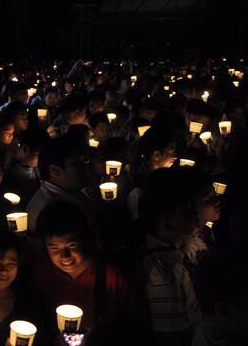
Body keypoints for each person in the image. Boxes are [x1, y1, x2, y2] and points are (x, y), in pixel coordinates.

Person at [32, 201, 142, 331]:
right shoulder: (41, 272)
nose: (64, 256)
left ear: (85, 239)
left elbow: (133, 323)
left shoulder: (112, 276)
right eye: (55, 248)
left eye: (71, 245)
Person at [138, 168, 206, 346]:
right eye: (188, 211)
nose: (196, 215)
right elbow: (170, 337)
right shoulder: (165, 273)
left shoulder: (180, 253)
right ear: (167, 222)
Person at [26, 134, 91, 231]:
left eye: (84, 163)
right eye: (76, 165)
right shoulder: (50, 210)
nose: (85, 169)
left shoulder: (72, 193)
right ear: (55, 170)